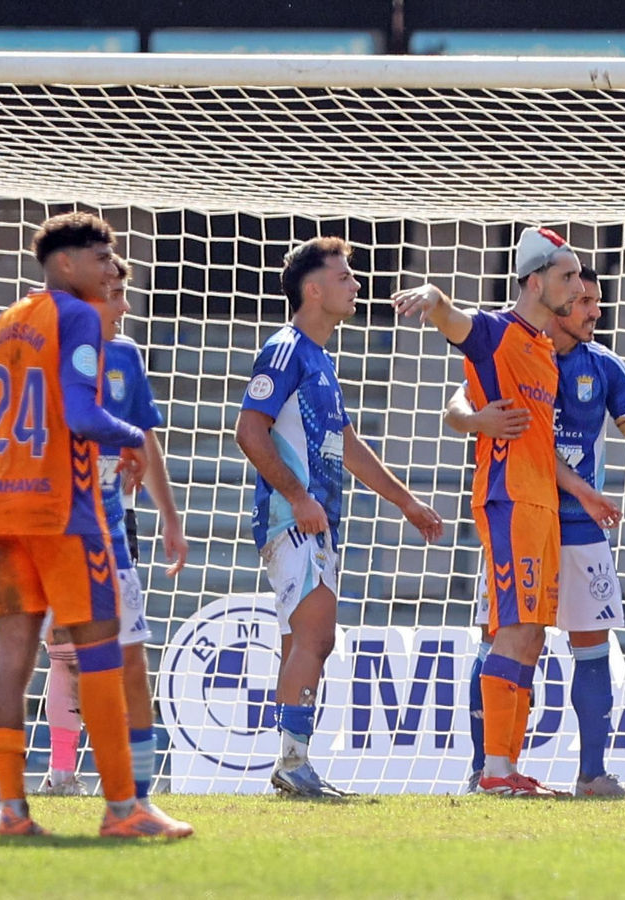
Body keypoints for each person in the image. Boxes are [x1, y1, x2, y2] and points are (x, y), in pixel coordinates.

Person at [0, 212, 184, 837]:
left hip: (5, 513)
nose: (112, 269)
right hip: (66, 515)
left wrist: (7, 460)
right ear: (66, 265)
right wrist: (131, 438)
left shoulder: (2, 323)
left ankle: (8, 811)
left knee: (13, 661)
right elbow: (83, 414)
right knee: (100, 652)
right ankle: (124, 809)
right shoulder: (77, 316)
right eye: (102, 258)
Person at [447, 264, 625, 797]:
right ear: (556, 302)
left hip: (581, 528)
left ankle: (593, 775)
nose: (593, 310)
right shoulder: (516, 348)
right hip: (519, 516)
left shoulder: (604, 367)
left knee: (593, 645)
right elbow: (461, 398)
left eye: (594, 301)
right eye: (582, 301)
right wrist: (473, 418)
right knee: (500, 639)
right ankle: (485, 767)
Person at [235, 237, 444, 798]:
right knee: (316, 636)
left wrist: (404, 501)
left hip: (316, 518)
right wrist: (299, 497)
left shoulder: (319, 359)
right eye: (345, 276)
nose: (355, 285)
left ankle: (292, 762)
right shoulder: (284, 349)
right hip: (293, 516)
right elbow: (249, 432)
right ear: (314, 288)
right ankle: (293, 764)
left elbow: (346, 444)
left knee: (302, 640)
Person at [393, 226, 582, 797]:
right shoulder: (498, 331)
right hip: (508, 499)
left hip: (541, 502)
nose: (577, 286)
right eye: (567, 275)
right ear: (535, 279)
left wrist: (470, 416)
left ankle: (506, 767)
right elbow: (456, 321)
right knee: (513, 628)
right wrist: (430, 294)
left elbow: (464, 400)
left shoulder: (545, 346)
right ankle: (494, 771)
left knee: (531, 635)